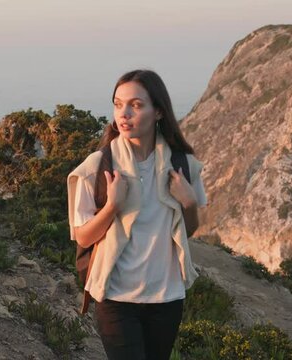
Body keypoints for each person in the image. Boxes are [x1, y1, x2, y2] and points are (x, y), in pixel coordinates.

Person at [66, 69, 208, 359]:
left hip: (167, 298)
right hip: (116, 299)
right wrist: (112, 207)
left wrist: (190, 203)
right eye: (118, 104)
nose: (124, 113)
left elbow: (188, 231)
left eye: (136, 105)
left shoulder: (183, 166)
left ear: (158, 112)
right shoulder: (97, 167)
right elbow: (82, 236)